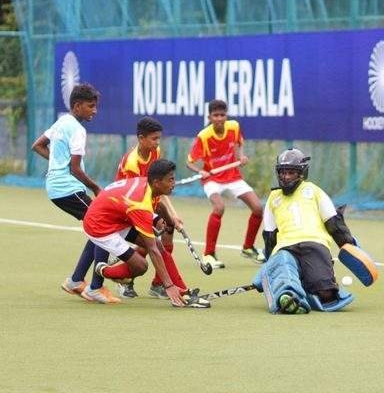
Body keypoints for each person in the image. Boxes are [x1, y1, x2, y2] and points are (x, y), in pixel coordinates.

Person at [31, 83, 119, 304]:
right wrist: (96, 187)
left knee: (96, 228)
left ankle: (76, 281)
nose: (94, 111)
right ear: (77, 105)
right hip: (68, 188)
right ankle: (95, 288)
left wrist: (55, 162)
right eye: (90, 106)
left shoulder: (62, 122)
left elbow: (38, 145)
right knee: (104, 225)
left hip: (56, 187)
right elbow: (75, 169)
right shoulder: (78, 130)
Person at [88, 159, 205, 308]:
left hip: (117, 216)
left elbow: (159, 204)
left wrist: (167, 221)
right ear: (157, 183)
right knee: (141, 266)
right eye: (170, 180)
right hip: (100, 225)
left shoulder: (150, 185)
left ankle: (182, 290)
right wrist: (168, 286)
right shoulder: (140, 204)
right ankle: (104, 270)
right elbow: (152, 250)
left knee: (157, 244)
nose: (174, 183)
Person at [256, 148, 355, 314]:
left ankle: (304, 286)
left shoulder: (314, 191)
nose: (286, 177)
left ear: (302, 173)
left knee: (326, 294)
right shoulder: (273, 198)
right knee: (283, 267)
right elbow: (269, 235)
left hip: (314, 244)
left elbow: (334, 223)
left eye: (291, 173)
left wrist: (349, 245)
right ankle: (288, 296)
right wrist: (269, 263)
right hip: (285, 248)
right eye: (283, 173)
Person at [113, 117, 193, 301]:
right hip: (129, 206)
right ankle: (124, 278)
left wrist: (173, 215)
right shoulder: (131, 164)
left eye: (159, 138)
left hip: (148, 198)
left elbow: (159, 186)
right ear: (141, 138)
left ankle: (158, 284)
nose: (158, 143)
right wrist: (154, 218)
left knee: (168, 228)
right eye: (154, 139)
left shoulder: (154, 151)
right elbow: (135, 196)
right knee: (151, 242)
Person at [186, 99, 264, 269]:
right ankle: (209, 254)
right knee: (219, 208)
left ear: (226, 115)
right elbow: (190, 162)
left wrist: (241, 157)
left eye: (222, 115)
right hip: (212, 179)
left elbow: (239, 143)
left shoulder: (234, 127)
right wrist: (200, 171)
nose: (220, 118)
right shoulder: (204, 136)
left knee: (258, 208)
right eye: (216, 115)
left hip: (233, 176)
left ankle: (248, 248)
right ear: (209, 117)